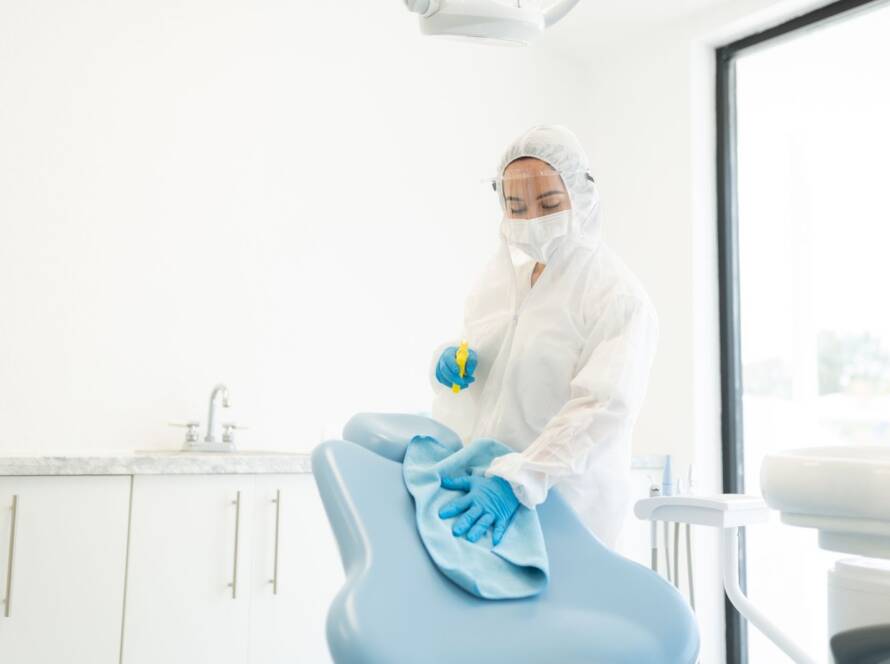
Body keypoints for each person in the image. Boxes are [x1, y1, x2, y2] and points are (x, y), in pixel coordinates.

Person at [432, 125, 659, 549]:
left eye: (549, 203)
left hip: (566, 511)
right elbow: (481, 362)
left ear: (581, 196)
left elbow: (603, 407)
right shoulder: (501, 284)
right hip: (486, 496)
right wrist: (452, 364)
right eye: (516, 207)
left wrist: (523, 478)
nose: (533, 220)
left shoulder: (616, 296)